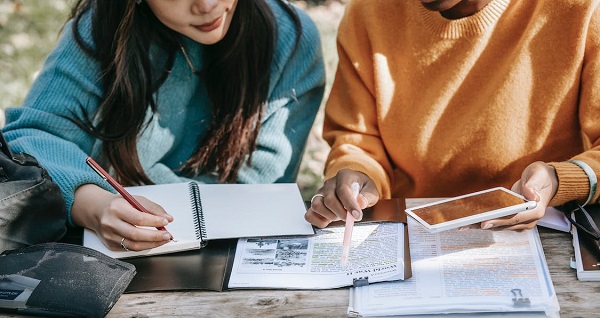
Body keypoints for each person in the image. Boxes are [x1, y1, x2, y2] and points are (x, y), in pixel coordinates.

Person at [3, 0, 325, 251]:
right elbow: (29, 138)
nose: (207, 5)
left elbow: (261, 193)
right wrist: (95, 206)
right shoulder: (104, 28)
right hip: (112, 261)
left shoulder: (291, 40)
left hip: (235, 263)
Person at [305, 0, 600, 231]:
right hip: (410, 232)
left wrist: (561, 180)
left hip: (546, 236)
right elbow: (357, 138)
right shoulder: (368, 14)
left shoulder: (580, 10)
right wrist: (358, 174)